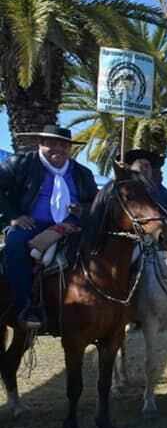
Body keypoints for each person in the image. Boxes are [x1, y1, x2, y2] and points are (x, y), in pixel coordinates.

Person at [0, 125, 98, 329]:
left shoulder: (82, 173)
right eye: (52, 144)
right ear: (40, 144)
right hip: (31, 225)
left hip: (72, 225)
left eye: (63, 145)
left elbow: (96, 203)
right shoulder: (21, 163)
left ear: (69, 148)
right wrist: (14, 217)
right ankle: (25, 307)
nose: (58, 149)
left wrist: (83, 210)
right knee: (16, 246)